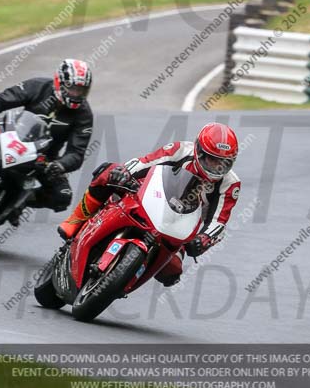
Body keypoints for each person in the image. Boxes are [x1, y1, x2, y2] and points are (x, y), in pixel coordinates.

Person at [58, 122, 241, 286]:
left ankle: (125, 280)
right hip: (147, 197)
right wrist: (125, 172)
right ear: (198, 151)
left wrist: (203, 240)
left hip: (179, 227)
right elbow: (145, 162)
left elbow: (219, 221)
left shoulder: (230, 184)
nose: (217, 167)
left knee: (172, 273)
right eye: (212, 159)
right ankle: (75, 220)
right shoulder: (180, 150)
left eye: (224, 163)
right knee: (108, 171)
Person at [0, 59, 94, 215]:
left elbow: (77, 153)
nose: (76, 94)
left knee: (62, 196)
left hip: (43, 158)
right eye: (73, 89)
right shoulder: (38, 86)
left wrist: (60, 165)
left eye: (81, 91)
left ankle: (19, 203)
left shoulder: (83, 115)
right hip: (11, 136)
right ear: (59, 82)